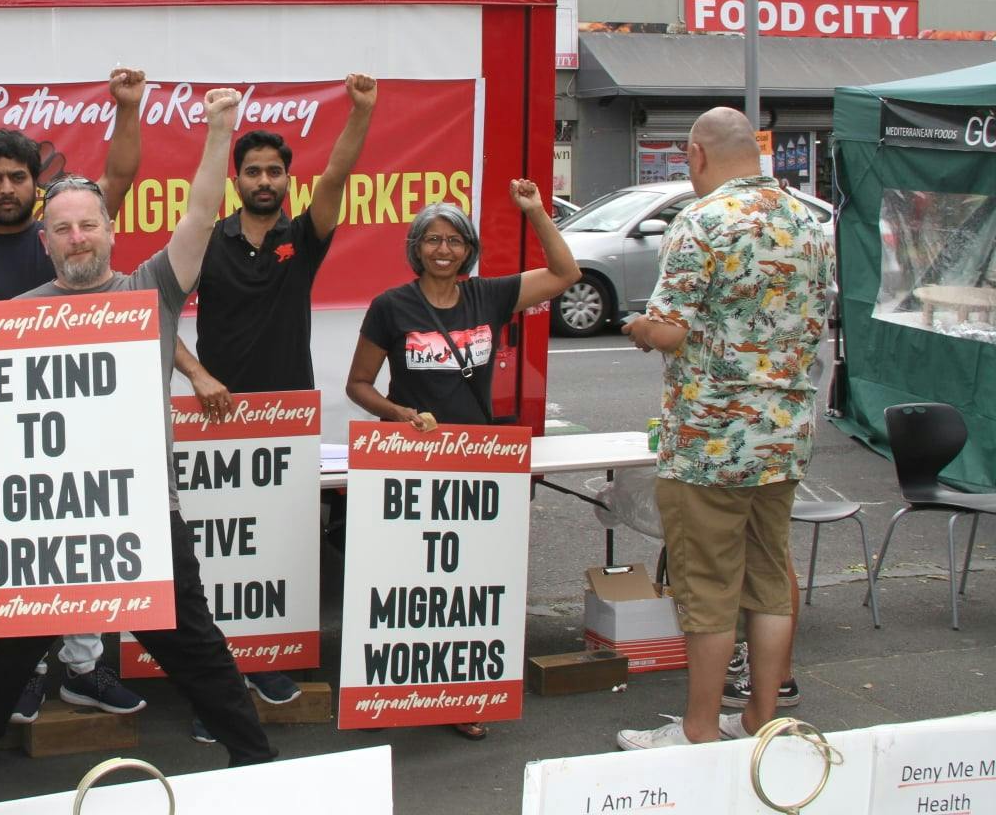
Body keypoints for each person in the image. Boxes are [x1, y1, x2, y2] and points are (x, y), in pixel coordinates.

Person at [0, 87, 276, 783]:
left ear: (111, 230)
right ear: (45, 241)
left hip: (142, 513)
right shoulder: (12, 316)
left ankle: (255, 759)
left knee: (192, 645)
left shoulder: (151, 293)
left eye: (88, 226)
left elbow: (202, 214)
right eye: (64, 229)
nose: (77, 238)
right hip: (44, 517)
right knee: (6, 648)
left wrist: (220, 129)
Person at [0, 68, 149, 726]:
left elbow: (122, 178)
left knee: (79, 551)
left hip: (82, 430)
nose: (7, 188)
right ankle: (21, 673)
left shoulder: (65, 235)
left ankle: (84, 671)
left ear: (35, 183)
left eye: (18, 176)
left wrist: (127, 109)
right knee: (14, 565)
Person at [615, 107, 832, 750]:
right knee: (768, 578)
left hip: (712, 437)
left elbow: (672, 330)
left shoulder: (702, 220)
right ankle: (763, 718)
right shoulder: (810, 223)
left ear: (697, 154)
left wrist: (638, 329)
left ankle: (699, 730)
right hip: (785, 431)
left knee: (706, 586)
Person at [173, 72, 376, 740]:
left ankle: (270, 658)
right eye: (253, 170)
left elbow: (339, 176)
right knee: (220, 550)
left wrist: (361, 112)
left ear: (287, 180)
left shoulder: (302, 238)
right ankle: (219, 670)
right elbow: (155, 310)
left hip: (289, 424)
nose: (264, 180)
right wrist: (199, 375)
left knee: (284, 544)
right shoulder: (210, 240)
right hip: (218, 425)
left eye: (274, 171)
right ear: (236, 179)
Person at [346, 178, 580, 740]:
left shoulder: (488, 296)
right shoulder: (391, 307)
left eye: (454, 240)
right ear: (416, 248)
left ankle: (461, 693)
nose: (443, 249)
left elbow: (566, 274)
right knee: (413, 579)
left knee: (468, 581)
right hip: (414, 460)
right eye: (432, 239)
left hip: (477, 460)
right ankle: (404, 688)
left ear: (469, 249)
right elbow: (358, 385)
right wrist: (399, 412)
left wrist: (535, 212)